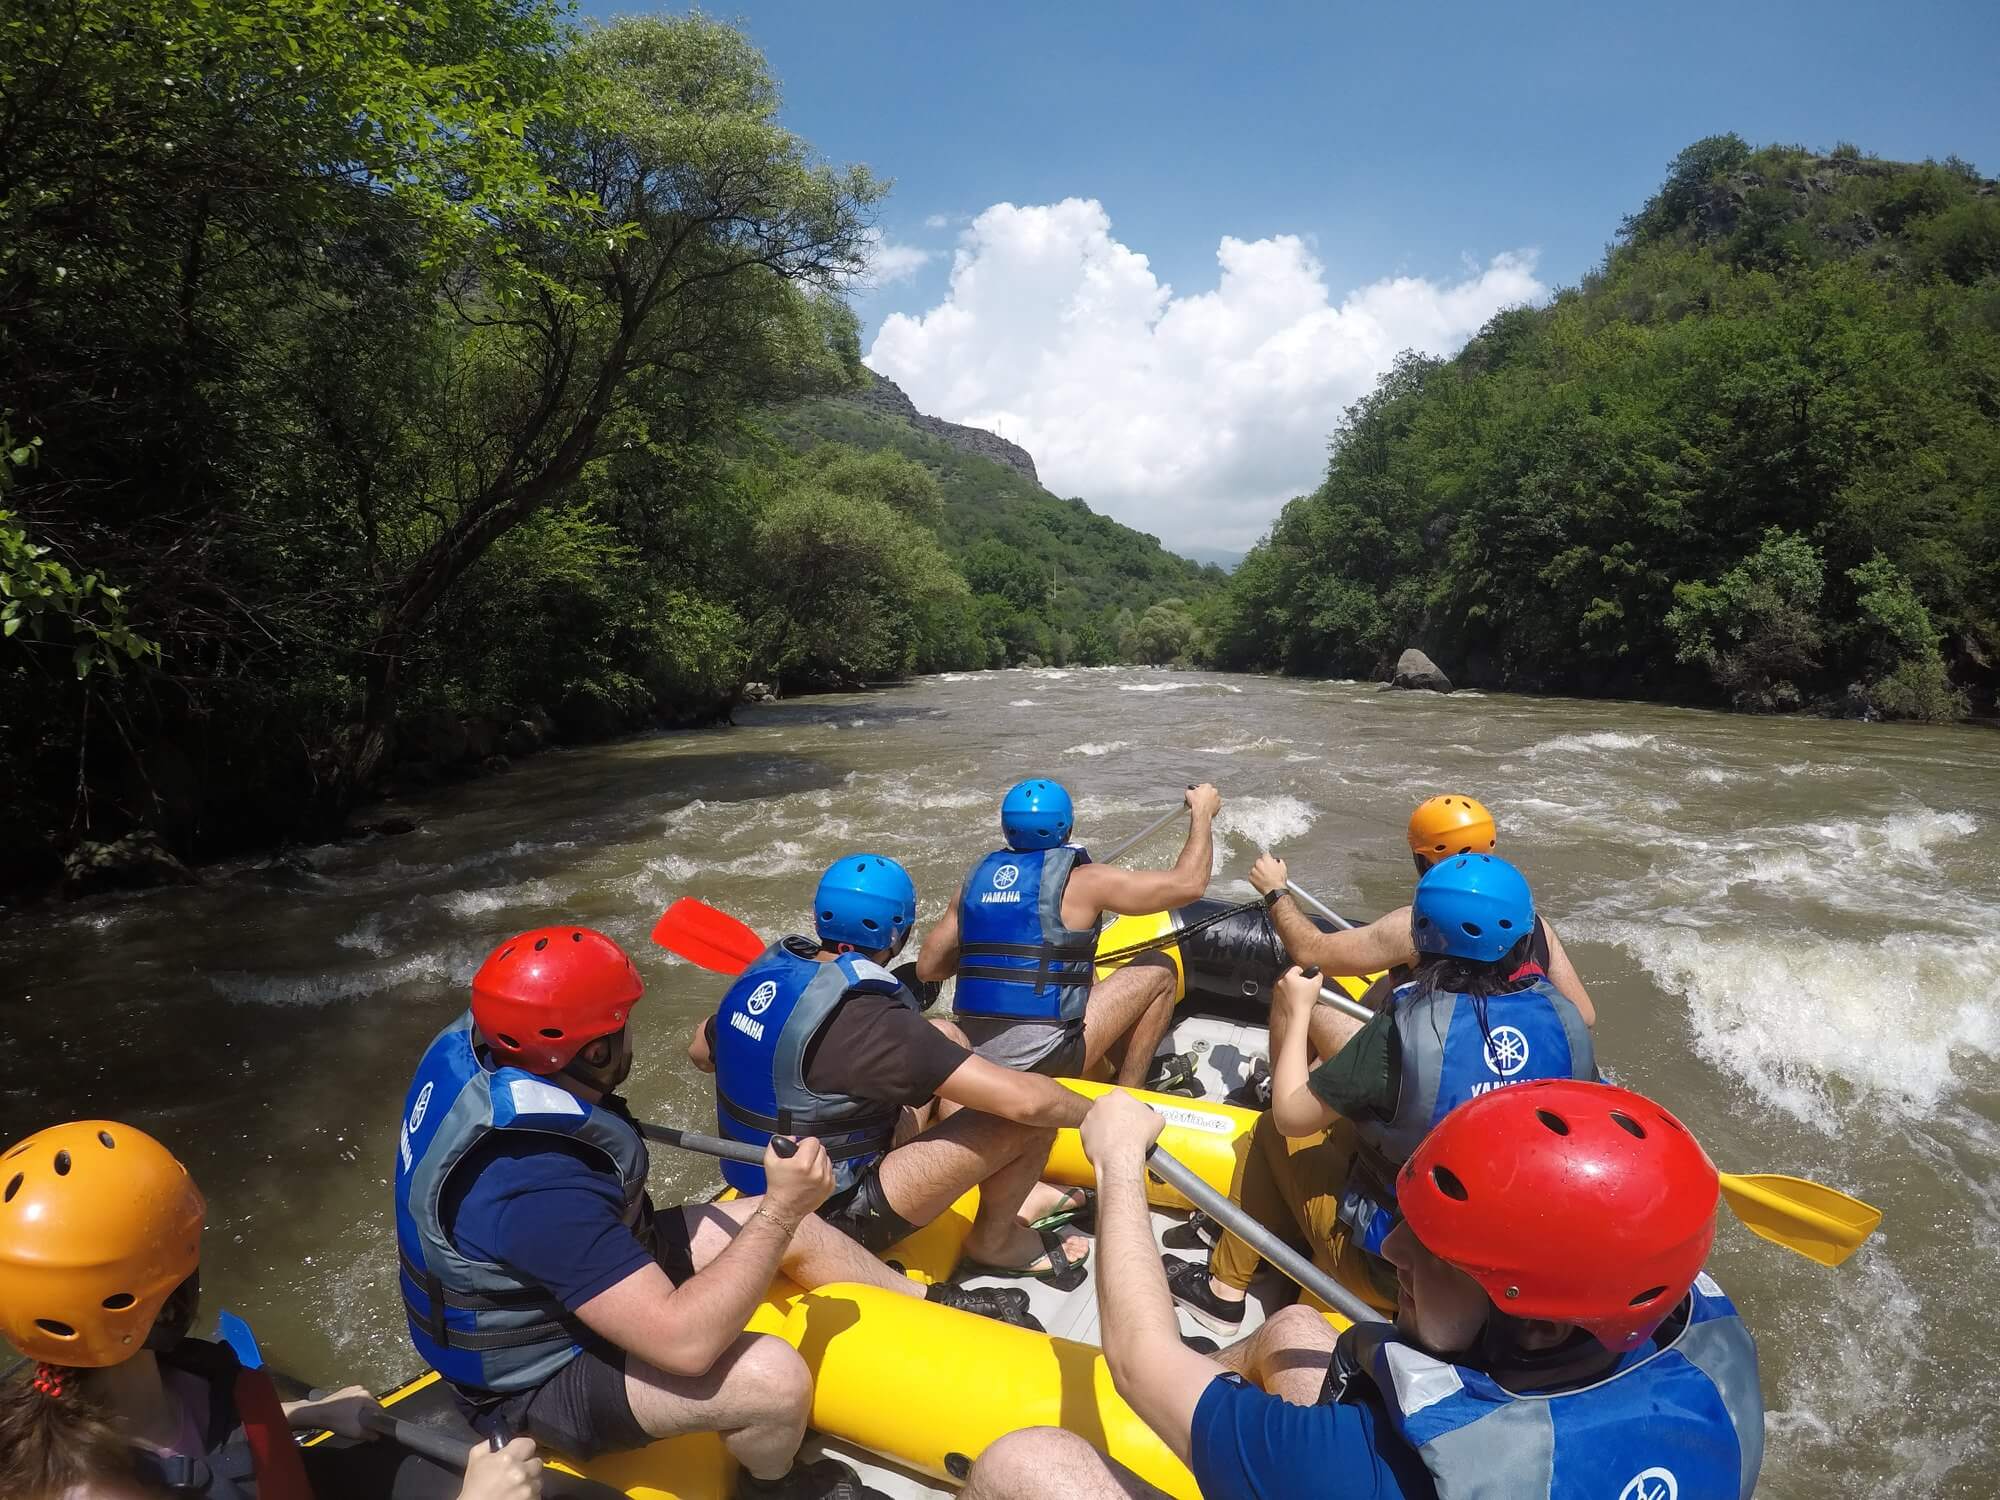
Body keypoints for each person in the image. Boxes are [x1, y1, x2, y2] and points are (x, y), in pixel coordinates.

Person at [396, 924, 1003, 1500]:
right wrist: (782, 1211)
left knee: (781, 1219)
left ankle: (924, 1302)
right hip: (536, 1373)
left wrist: (780, 1213)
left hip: (545, 1280)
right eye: (622, 1023)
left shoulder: (477, 1046)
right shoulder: (535, 1183)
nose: (632, 1032)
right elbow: (686, 1348)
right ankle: (772, 1484)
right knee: (771, 1375)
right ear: (599, 1051)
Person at [963, 1081, 1764, 1500]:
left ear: (1541, 1329)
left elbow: (1138, 1358)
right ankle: (1221, 1392)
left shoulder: (1360, 1473)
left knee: (1024, 1463)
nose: (1391, 1248)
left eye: (1438, 1253)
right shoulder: (1691, 1357)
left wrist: (1116, 1159)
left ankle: (1214, 1414)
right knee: (1297, 1330)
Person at [0, 1118, 545, 1500]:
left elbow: (193, 1437)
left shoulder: (149, 1387)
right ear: (163, 1302)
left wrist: (310, 1413)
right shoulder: (96, 1488)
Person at [1167, 855, 1597, 1332]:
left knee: (1271, 1130)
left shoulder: (1404, 1032)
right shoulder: (1567, 1022)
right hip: (1510, 1274)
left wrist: (1296, 1009)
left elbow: (1291, 1116)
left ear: (1419, 939)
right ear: (1523, 941)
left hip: (1402, 1275)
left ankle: (1222, 1293)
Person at [692, 855, 1103, 1285]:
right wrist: (1098, 1111)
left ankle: (1004, 1185)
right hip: (831, 1214)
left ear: (816, 919)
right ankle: (996, 1242)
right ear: (901, 934)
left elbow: (700, 1052)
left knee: (945, 1033)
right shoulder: (876, 1023)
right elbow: (1027, 1102)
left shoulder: (765, 976)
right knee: (1028, 1119)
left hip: (767, 1180)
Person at [917, 780, 1223, 1091]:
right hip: (1046, 1058)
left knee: (1083, 967)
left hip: (977, 1057)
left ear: (1006, 827)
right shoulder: (1085, 882)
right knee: (1160, 969)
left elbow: (928, 969)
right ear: (1068, 829)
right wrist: (1202, 812)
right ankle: (1128, 1094)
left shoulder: (972, 886)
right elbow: (1189, 885)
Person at [1250, 793, 1596, 1066]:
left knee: (1296, 984)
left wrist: (1275, 890)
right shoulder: (1533, 921)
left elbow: (1311, 951)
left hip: (1435, 1066)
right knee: (1391, 983)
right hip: (1506, 1058)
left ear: (1423, 859)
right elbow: (1584, 1015)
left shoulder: (1412, 927)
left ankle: (1276, 1097)